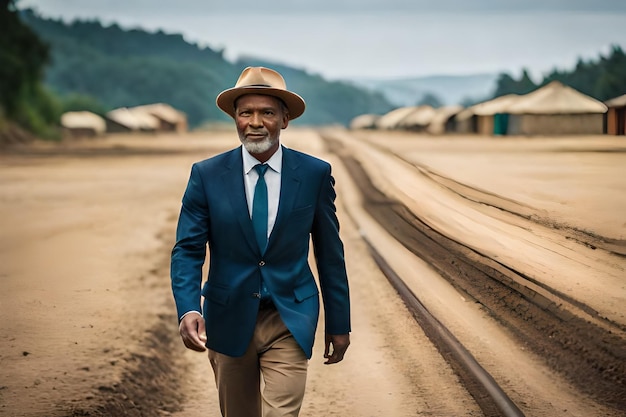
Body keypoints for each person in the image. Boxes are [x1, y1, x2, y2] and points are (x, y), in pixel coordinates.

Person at [170, 66, 351, 417]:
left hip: (290, 316)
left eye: (267, 112)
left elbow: (330, 254)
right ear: (235, 119)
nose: (255, 122)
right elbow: (188, 250)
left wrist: (339, 323)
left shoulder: (314, 174)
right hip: (228, 316)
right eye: (246, 113)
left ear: (285, 120)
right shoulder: (206, 175)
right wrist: (189, 308)